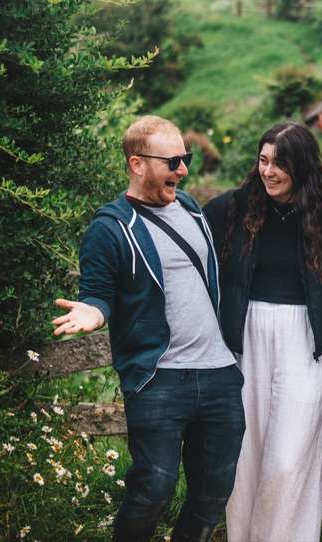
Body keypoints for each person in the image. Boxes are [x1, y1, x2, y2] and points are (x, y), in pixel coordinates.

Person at [52, 115, 245, 542]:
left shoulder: (193, 208)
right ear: (137, 164)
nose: (183, 170)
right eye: (173, 161)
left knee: (214, 493)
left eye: (186, 158)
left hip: (219, 375)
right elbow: (97, 293)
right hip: (158, 379)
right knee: (152, 491)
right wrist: (94, 312)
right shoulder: (110, 228)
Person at [202, 122, 322, 542]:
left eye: (279, 163)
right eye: (263, 160)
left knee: (289, 459)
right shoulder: (228, 210)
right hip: (242, 341)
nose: (268, 171)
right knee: (246, 454)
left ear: (301, 167)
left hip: (306, 344)